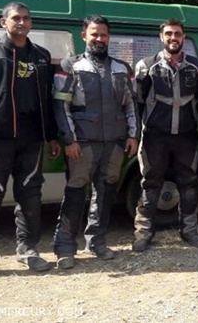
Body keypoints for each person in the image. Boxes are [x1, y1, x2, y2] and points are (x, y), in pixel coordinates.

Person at [0, 2, 61, 283]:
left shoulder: (41, 56)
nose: (21, 22)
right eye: (15, 18)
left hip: (31, 141)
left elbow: (47, 101)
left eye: (26, 18)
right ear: (3, 21)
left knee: (31, 196)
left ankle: (28, 249)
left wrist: (51, 135)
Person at [51, 16, 139, 269]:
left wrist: (133, 135)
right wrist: (69, 139)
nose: (99, 39)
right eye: (94, 35)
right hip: (82, 144)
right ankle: (65, 246)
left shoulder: (123, 68)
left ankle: (97, 241)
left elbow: (131, 105)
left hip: (114, 143)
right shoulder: (70, 65)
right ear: (84, 36)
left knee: (106, 193)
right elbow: (61, 105)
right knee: (76, 193)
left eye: (104, 35)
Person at [132, 19, 198, 252]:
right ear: (161, 37)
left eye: (178, 34)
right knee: (150, 183)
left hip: (186, 137)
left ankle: (189, 230)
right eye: (168, 34)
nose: (173, 38)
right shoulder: (146, 66)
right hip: (155, 136)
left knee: (189, 183)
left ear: (183, 37)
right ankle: (143, 233)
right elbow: (137, 103)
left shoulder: (197, 67)